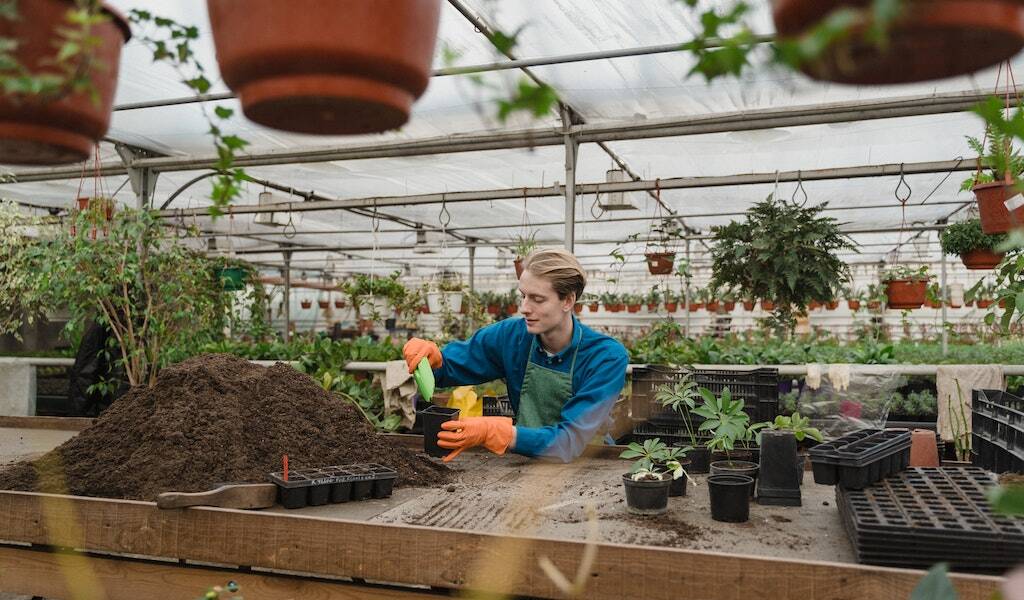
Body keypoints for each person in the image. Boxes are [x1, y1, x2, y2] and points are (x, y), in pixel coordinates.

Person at [403, 249, 628, 463]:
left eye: (537, 299)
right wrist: (430, 359)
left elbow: (569, 441)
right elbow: (450, 368)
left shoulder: (605, 357)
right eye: (523, 296)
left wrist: (497, 432)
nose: (525, 308)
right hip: (527, 463)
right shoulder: (511, 337)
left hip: (592, 466)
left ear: (568, 301)